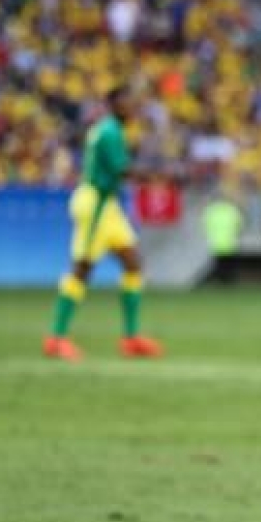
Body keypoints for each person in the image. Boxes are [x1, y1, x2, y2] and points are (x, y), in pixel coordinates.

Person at [44, 86, 163, 361]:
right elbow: (123, 170)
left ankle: (131, 338)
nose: (131, 107)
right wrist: (159, 175)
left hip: (107, 204)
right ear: (112, 105)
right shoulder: (109, 132)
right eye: (125, 102)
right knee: (82, 268)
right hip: (94, 203)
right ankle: (56, 338)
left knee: (133, 263)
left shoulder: (109, 129)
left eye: (133, 102)